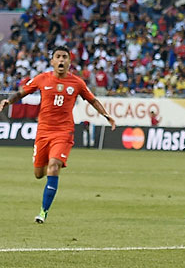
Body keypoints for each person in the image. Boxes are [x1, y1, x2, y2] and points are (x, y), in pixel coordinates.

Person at [0, 47, 116, 223]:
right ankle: (50, 168)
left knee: (54, 166)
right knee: (39, 174)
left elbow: (92, 100)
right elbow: (22, 92)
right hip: (43, 132)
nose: (61, 60)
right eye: (58, 57)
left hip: (64, 132)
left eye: (64, 57)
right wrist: (8, 101)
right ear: (52, 61)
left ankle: (43, 212)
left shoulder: (77, 83)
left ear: (69, 62)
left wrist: (106, 115)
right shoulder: (42, 78)